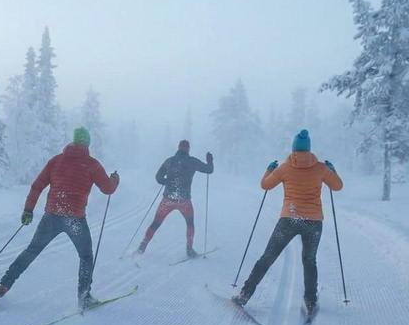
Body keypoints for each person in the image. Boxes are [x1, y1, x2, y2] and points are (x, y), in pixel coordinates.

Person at [0, 127, 120, 310]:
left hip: (51, 216)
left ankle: (4, 285)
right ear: (87, 143)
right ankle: (84, 297)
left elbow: (37, 186)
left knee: (32, 250)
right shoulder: (92, 164)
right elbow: (108, 189)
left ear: (73, 141)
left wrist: (28, 210)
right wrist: (115, 180)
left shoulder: (56, 161)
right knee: (85, 256)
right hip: (75, 219)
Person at [232, 129, 343, 312]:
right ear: (309, 149)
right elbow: (337, 186)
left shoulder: (284, 167)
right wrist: (333, 170)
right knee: (309, 261)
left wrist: (269, 169)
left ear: (294, 148)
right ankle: (310, 301)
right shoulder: (321, 168)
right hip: (313, 223)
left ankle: (245, 295)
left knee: (268, 256)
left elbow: (265, 185)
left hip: (288, 220)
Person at [136, 140, 213, 258]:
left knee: (155, 223)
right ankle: (189, 249)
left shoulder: (169, 161)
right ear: (188, 149)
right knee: (190, 224)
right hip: (184, 201)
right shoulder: (192, 161)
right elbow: (209, 170)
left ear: (178, 148)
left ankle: (142, 247)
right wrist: (209, 160)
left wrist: (166, 182)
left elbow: (158, 177)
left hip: (168, 200)